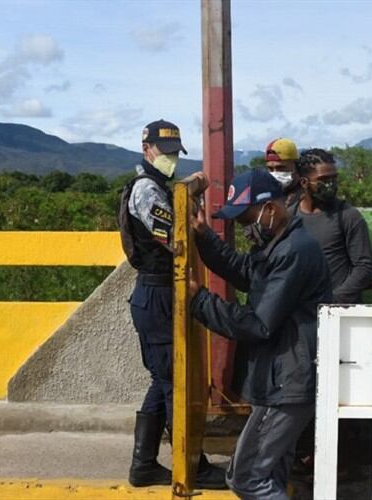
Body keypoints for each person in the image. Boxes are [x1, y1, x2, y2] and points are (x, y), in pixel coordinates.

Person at [188, 169, 332, 499]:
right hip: (283, 375)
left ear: (270, 209)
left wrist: (199, 302)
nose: (243, 227)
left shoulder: (294, 250)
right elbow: (246, 274)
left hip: (288, 381)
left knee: (247, 477)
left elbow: (258, 323)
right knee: (273, 473)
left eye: (245, 218)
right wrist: (204, 237)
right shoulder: (277, 244)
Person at [117, 119, 225, 489]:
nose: (170, 159)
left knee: (163, 379)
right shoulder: (146, 191)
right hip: (157, 294)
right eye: (164, 153)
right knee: (174, 383)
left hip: (161, 294)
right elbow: (174, 238)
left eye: (174, 154)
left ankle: (144, 465)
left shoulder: (159, 186)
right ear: (146, 149)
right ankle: (191, 465)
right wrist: (192, 204)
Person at [292, 148, 372, 304]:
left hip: (339, 314)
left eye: (333, 178)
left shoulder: (348, 215)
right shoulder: (290, 217)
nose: (330, 184)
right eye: (323, 180)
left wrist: (334, 300)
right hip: (299, 314)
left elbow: (364, 267)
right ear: (304, 182)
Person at [264, 138, 303, 207]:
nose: (275, 173)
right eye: (270, 169)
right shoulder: (266, 197)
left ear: (296, 166)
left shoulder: (307, 196)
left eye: (280, 168)